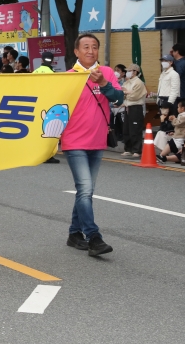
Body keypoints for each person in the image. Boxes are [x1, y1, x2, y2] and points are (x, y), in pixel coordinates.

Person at [62, 34, 123, 257]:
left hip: (98, 141)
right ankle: (93, 236)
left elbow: (119, 99)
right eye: (85, 47)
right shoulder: (67, 77)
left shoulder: (106, 73)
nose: (90, 51)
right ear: (76, 52)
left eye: (94, 47)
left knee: (85, 191)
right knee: (86, 189)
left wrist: (103, 84)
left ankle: (74, 232)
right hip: (74, 142)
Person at [121, 64, 147, 158]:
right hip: (128, 106)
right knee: (127, 128)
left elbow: (133, 96)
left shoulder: (138, 83)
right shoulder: (128, 82)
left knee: (135, 129)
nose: (127, 72)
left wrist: (126, 93)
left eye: (129, 71)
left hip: (135, 107)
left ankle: (137, 150)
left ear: (135, 72)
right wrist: (126, 93)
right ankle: (128, 149)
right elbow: (121, 92)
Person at [157, 100, 185, 164]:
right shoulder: (181, 115)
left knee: (171, 143)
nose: (177, 109)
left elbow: (178, 123)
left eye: (178, 107)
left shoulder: (184, 115)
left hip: (181, 136)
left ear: (182, 108)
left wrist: (173, 119)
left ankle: (163, 156)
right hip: (177, 135)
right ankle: (161, 155)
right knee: (170, 143)